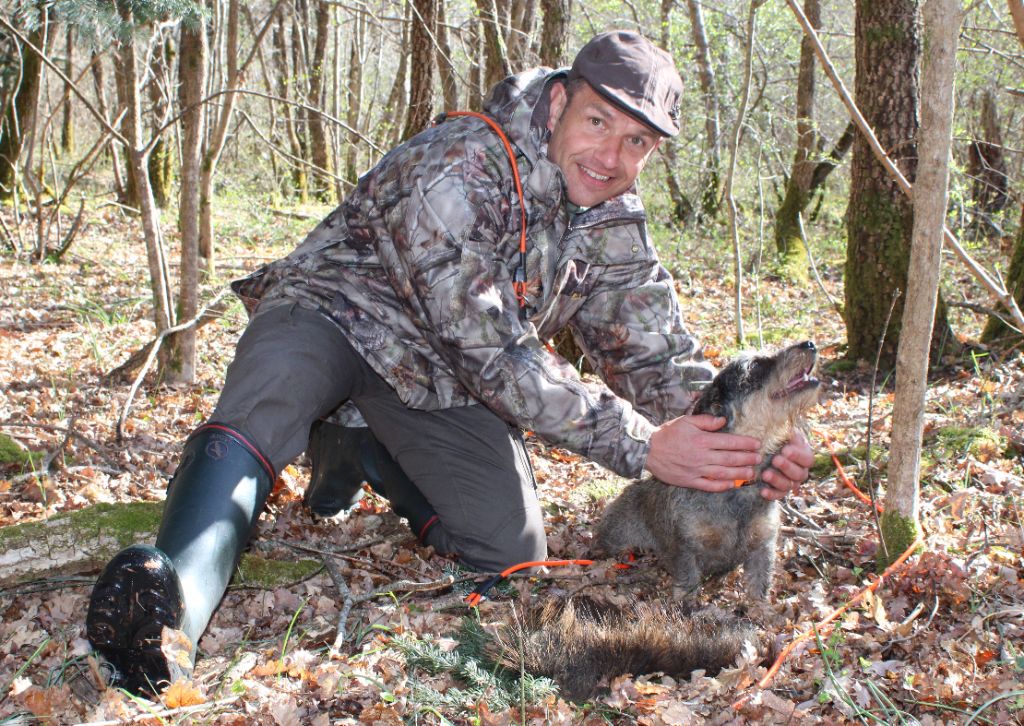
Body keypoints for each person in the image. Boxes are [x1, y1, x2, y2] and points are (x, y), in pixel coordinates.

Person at [86, 30, 814, 694]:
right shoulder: (463, 159)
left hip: (434, 383)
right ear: (559, 101)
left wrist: (746, 439)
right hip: (334, 315)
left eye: (637, 144)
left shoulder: (612, 219)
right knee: (270, 395)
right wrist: (640, 444)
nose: (612, 157)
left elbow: (657, 356)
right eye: (598, 123)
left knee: (511, 553)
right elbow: (491, 348)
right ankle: (168, 614)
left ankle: (365, 455)